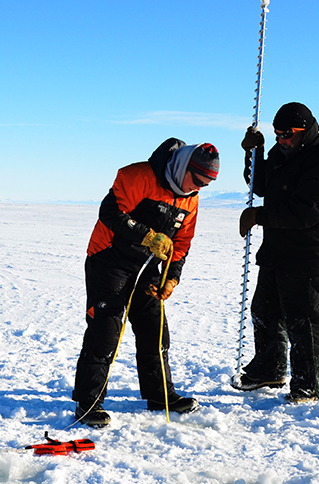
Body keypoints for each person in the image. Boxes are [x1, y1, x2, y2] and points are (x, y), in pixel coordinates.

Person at [72, 138, 219, 428]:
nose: (198, 188)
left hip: (148, 268)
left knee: (155, 330)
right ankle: (88, 403)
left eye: (205, 184)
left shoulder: (191, 198)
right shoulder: (139, 176)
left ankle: (160, 395)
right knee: (106, 330)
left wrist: (172, 277)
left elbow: (182, 242)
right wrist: (148, 236)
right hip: (110, 260)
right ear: (184, 167)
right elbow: (111, 213)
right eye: (197, 180)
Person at [234, 102, 319, 403]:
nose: (281, 140)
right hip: (276, 250)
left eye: (287, 134)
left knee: (303, 321)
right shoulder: (282, 153)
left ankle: (307, 386)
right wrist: (254, 154)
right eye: (276, 135)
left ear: (305, 131)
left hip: (307, 254)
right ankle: (269, 370)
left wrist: (260, 217)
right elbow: (261, 186)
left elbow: (304, 212)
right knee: (264, 309)